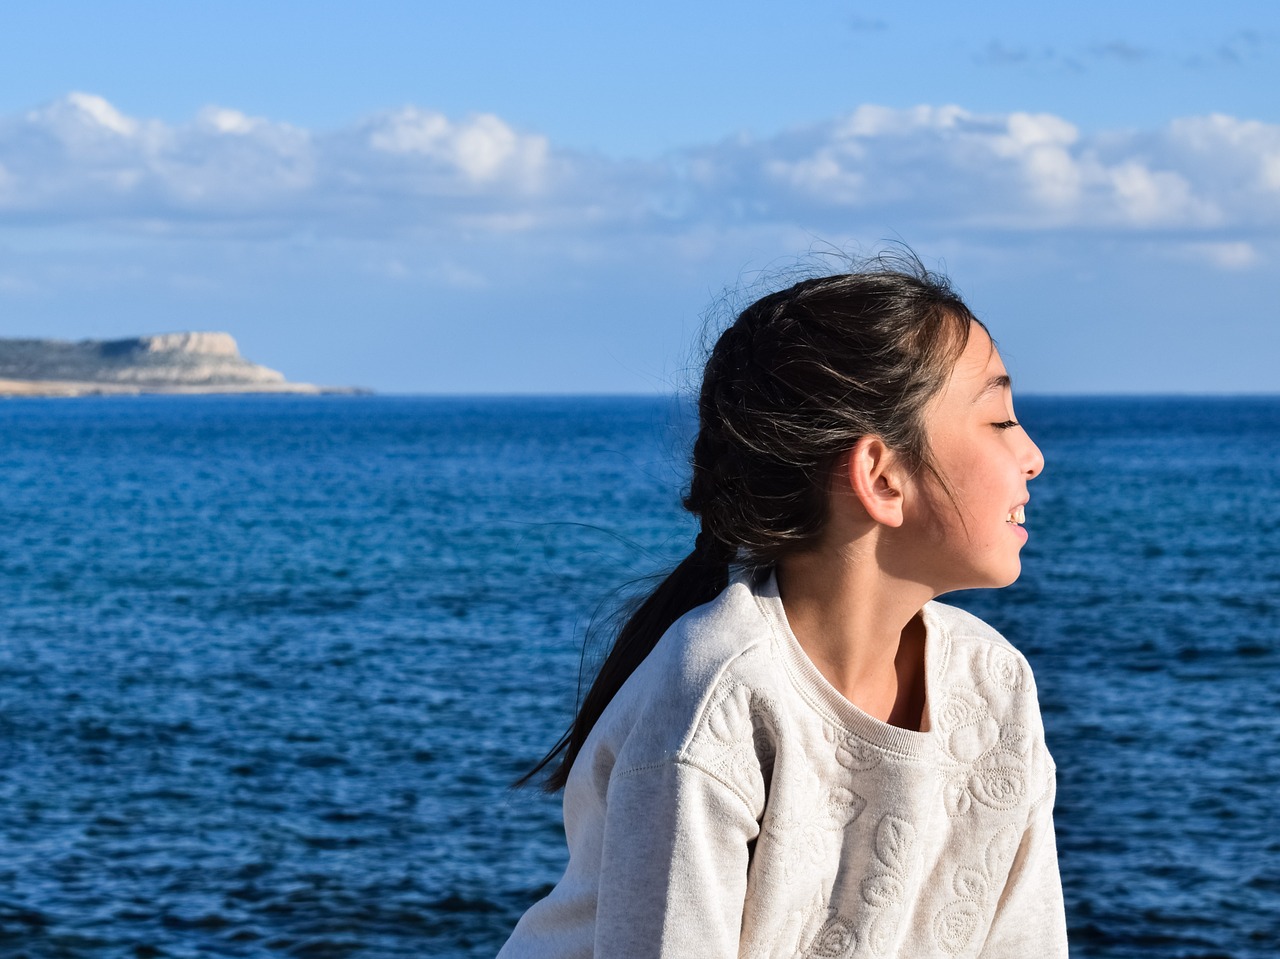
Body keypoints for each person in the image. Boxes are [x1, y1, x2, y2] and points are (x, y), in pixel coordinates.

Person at [500, 257, 1068, 958]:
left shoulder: (996, 683)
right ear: (881, 475)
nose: (1033, 455)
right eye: (1001, 419)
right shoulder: (718, 696)